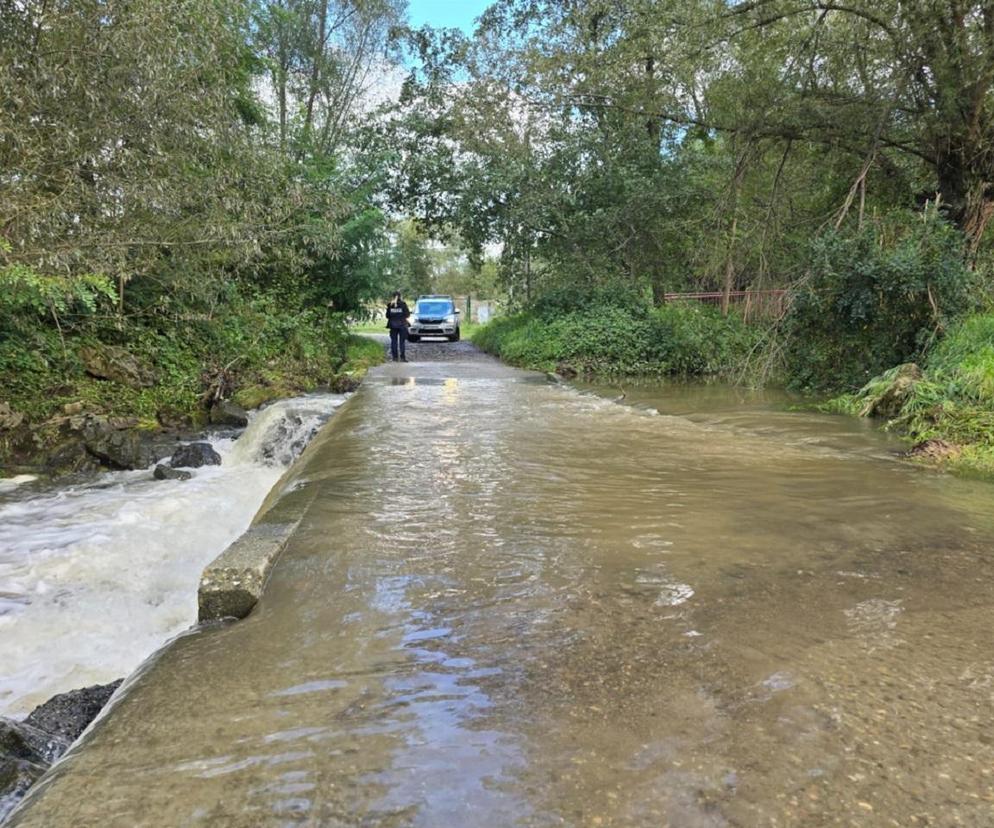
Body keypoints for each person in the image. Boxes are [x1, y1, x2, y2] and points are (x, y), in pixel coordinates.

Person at [385, 291, 411, 362]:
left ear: (393, 297)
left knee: (394, 341)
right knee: (402, 342)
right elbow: (407, 314)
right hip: (402, 325)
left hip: (393, 326)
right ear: (400, 296)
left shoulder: (390, 305)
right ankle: (403, 358)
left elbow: (387, 316)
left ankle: (395, 358)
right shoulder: (403, 304)